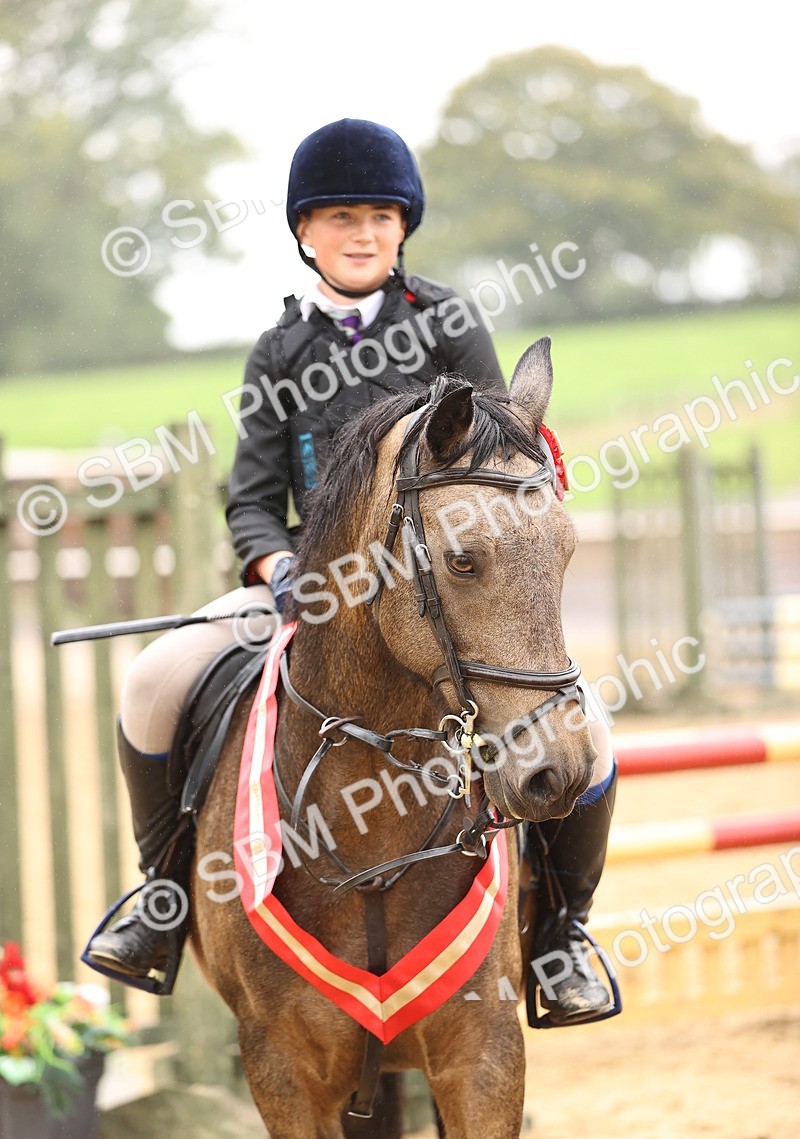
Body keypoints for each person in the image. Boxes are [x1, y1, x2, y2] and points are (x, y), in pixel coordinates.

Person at [86, 118, 617, 1025]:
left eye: (378, 214)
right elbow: (250, 494)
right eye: (338, 216)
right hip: (306, 592)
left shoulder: (447, 323)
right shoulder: (278, 353)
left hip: (443, 593)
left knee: (591, 732)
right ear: (304, 233)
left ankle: (564, 933)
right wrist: (277, 561)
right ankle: (161, 902)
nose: (361, 232)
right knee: (152, 679)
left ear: (404, 226)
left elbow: (504, 456)